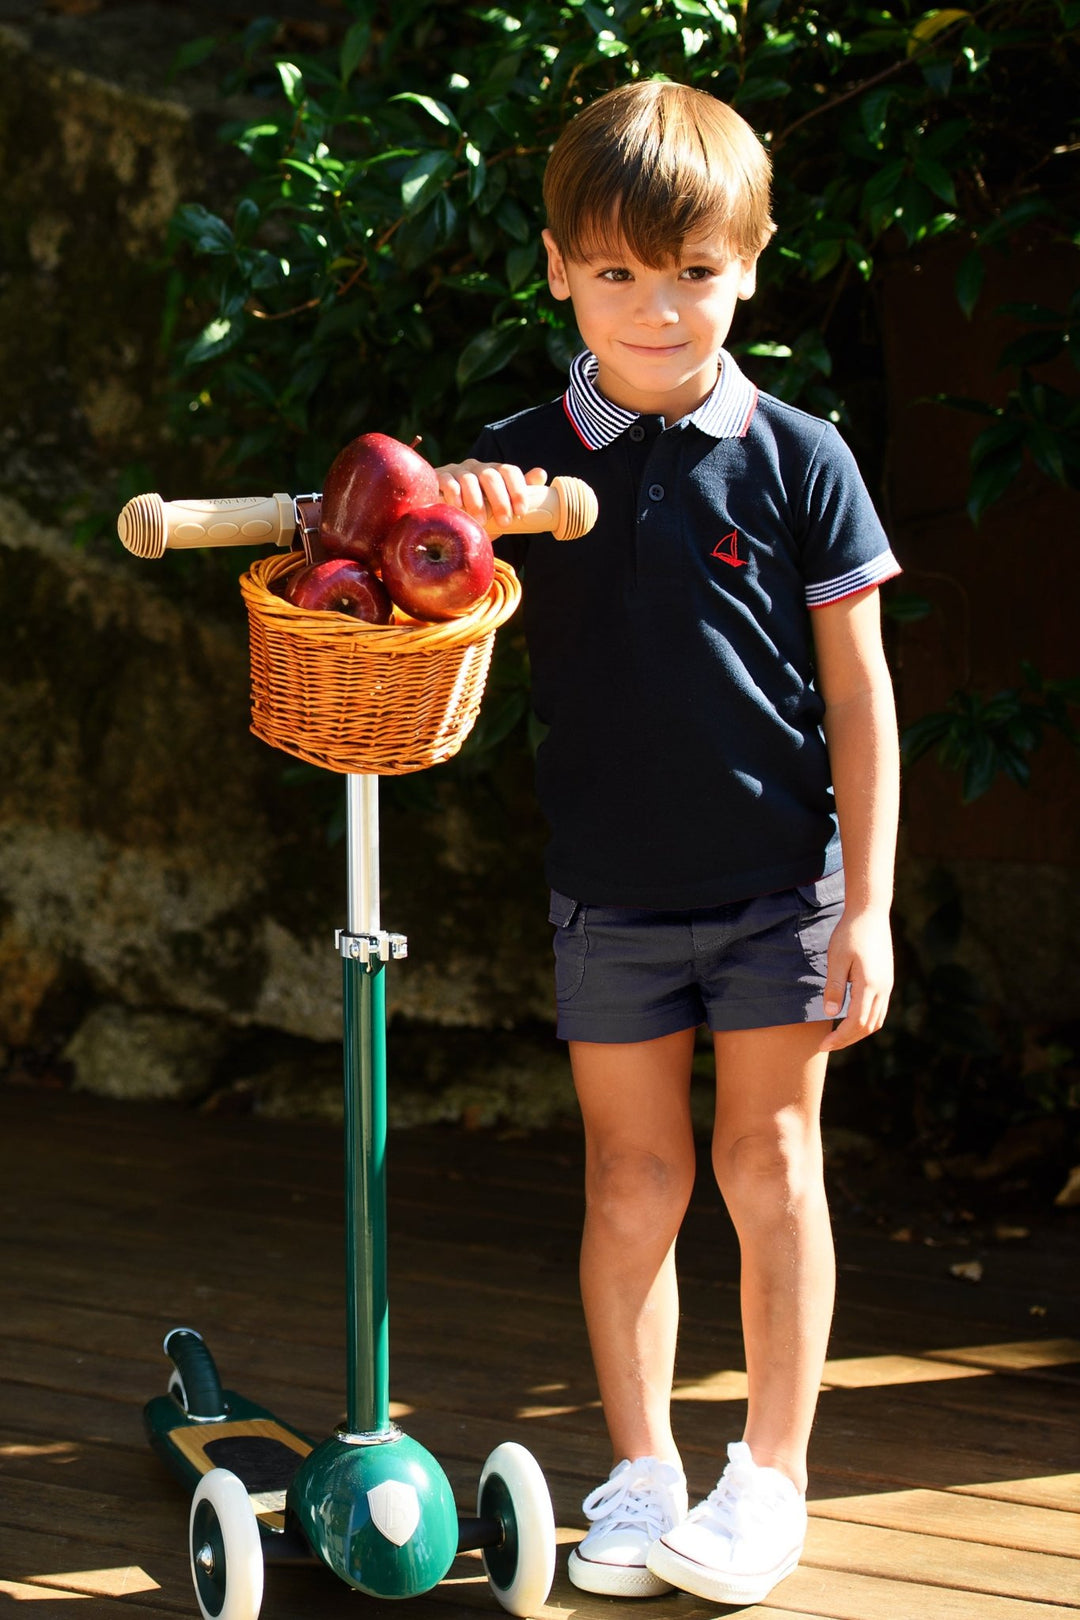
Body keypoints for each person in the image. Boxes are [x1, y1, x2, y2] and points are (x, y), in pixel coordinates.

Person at [436, 79, 900, 1609]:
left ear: (750, 266)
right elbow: (416, 606)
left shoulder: (799, 458)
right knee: (632, 1180)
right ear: (562, 267)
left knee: (771, 1165)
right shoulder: (510, 464)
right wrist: (465, 537)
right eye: (620, 272)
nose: (658, 308)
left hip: (778, 886)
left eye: (694, 271)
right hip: (608, 892)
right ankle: (639, 1472)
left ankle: (769, 1474)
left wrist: (868, 908)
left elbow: (860, 698)